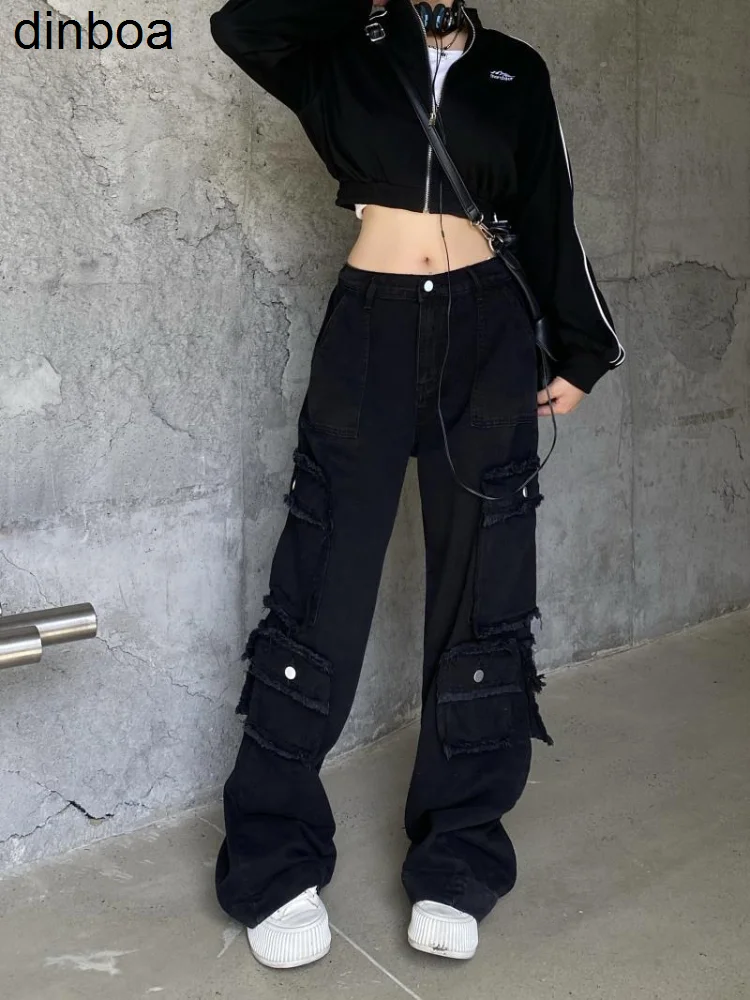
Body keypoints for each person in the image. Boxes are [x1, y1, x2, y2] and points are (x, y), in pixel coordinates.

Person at [208, 0, 625, 969]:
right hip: (372, 328)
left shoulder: (515, 69)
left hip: (487, 330)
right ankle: (272, 858)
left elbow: (549, 208)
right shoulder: (342, 49)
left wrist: (582, 346)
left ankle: (460, 855)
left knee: (485, 590)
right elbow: (242, 28)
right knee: (322, 581)